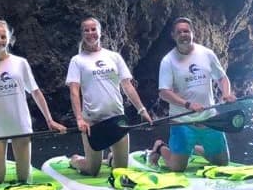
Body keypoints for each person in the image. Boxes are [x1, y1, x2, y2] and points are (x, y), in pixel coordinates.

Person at [0, 19, 67, 183]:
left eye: (3, 37)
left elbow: (36, 92)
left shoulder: (20, 63)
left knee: (24, 177)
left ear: (9, 38)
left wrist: (50, 120)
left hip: (21, 124)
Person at [66, 16, 152, 176]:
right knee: (93, 170)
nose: (90, 33)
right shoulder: (77, 60)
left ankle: (111, 159)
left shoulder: (113, 57)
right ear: (82, 34)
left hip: (117, 119)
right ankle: (76, 160)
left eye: (93, 29)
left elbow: (127, 85)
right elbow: (74, 90)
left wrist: (142, 110)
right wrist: (79, 118)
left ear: (100, 32)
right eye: (86, 30)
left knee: (121, 171)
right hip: (93, 122)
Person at [149, 16, 237, 171]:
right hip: (182, 122)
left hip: (209, 119)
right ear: (173, 36)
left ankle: (193, 148)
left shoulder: (207, 54)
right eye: (179, 32)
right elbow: (164, 92)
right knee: (177, 168)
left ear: (192, 33)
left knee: (222, 163)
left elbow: (222, 78)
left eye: (186, 31)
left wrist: (226, 94)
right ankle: (160, 147)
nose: (183, 34)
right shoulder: (168, 61)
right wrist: (187, 104)